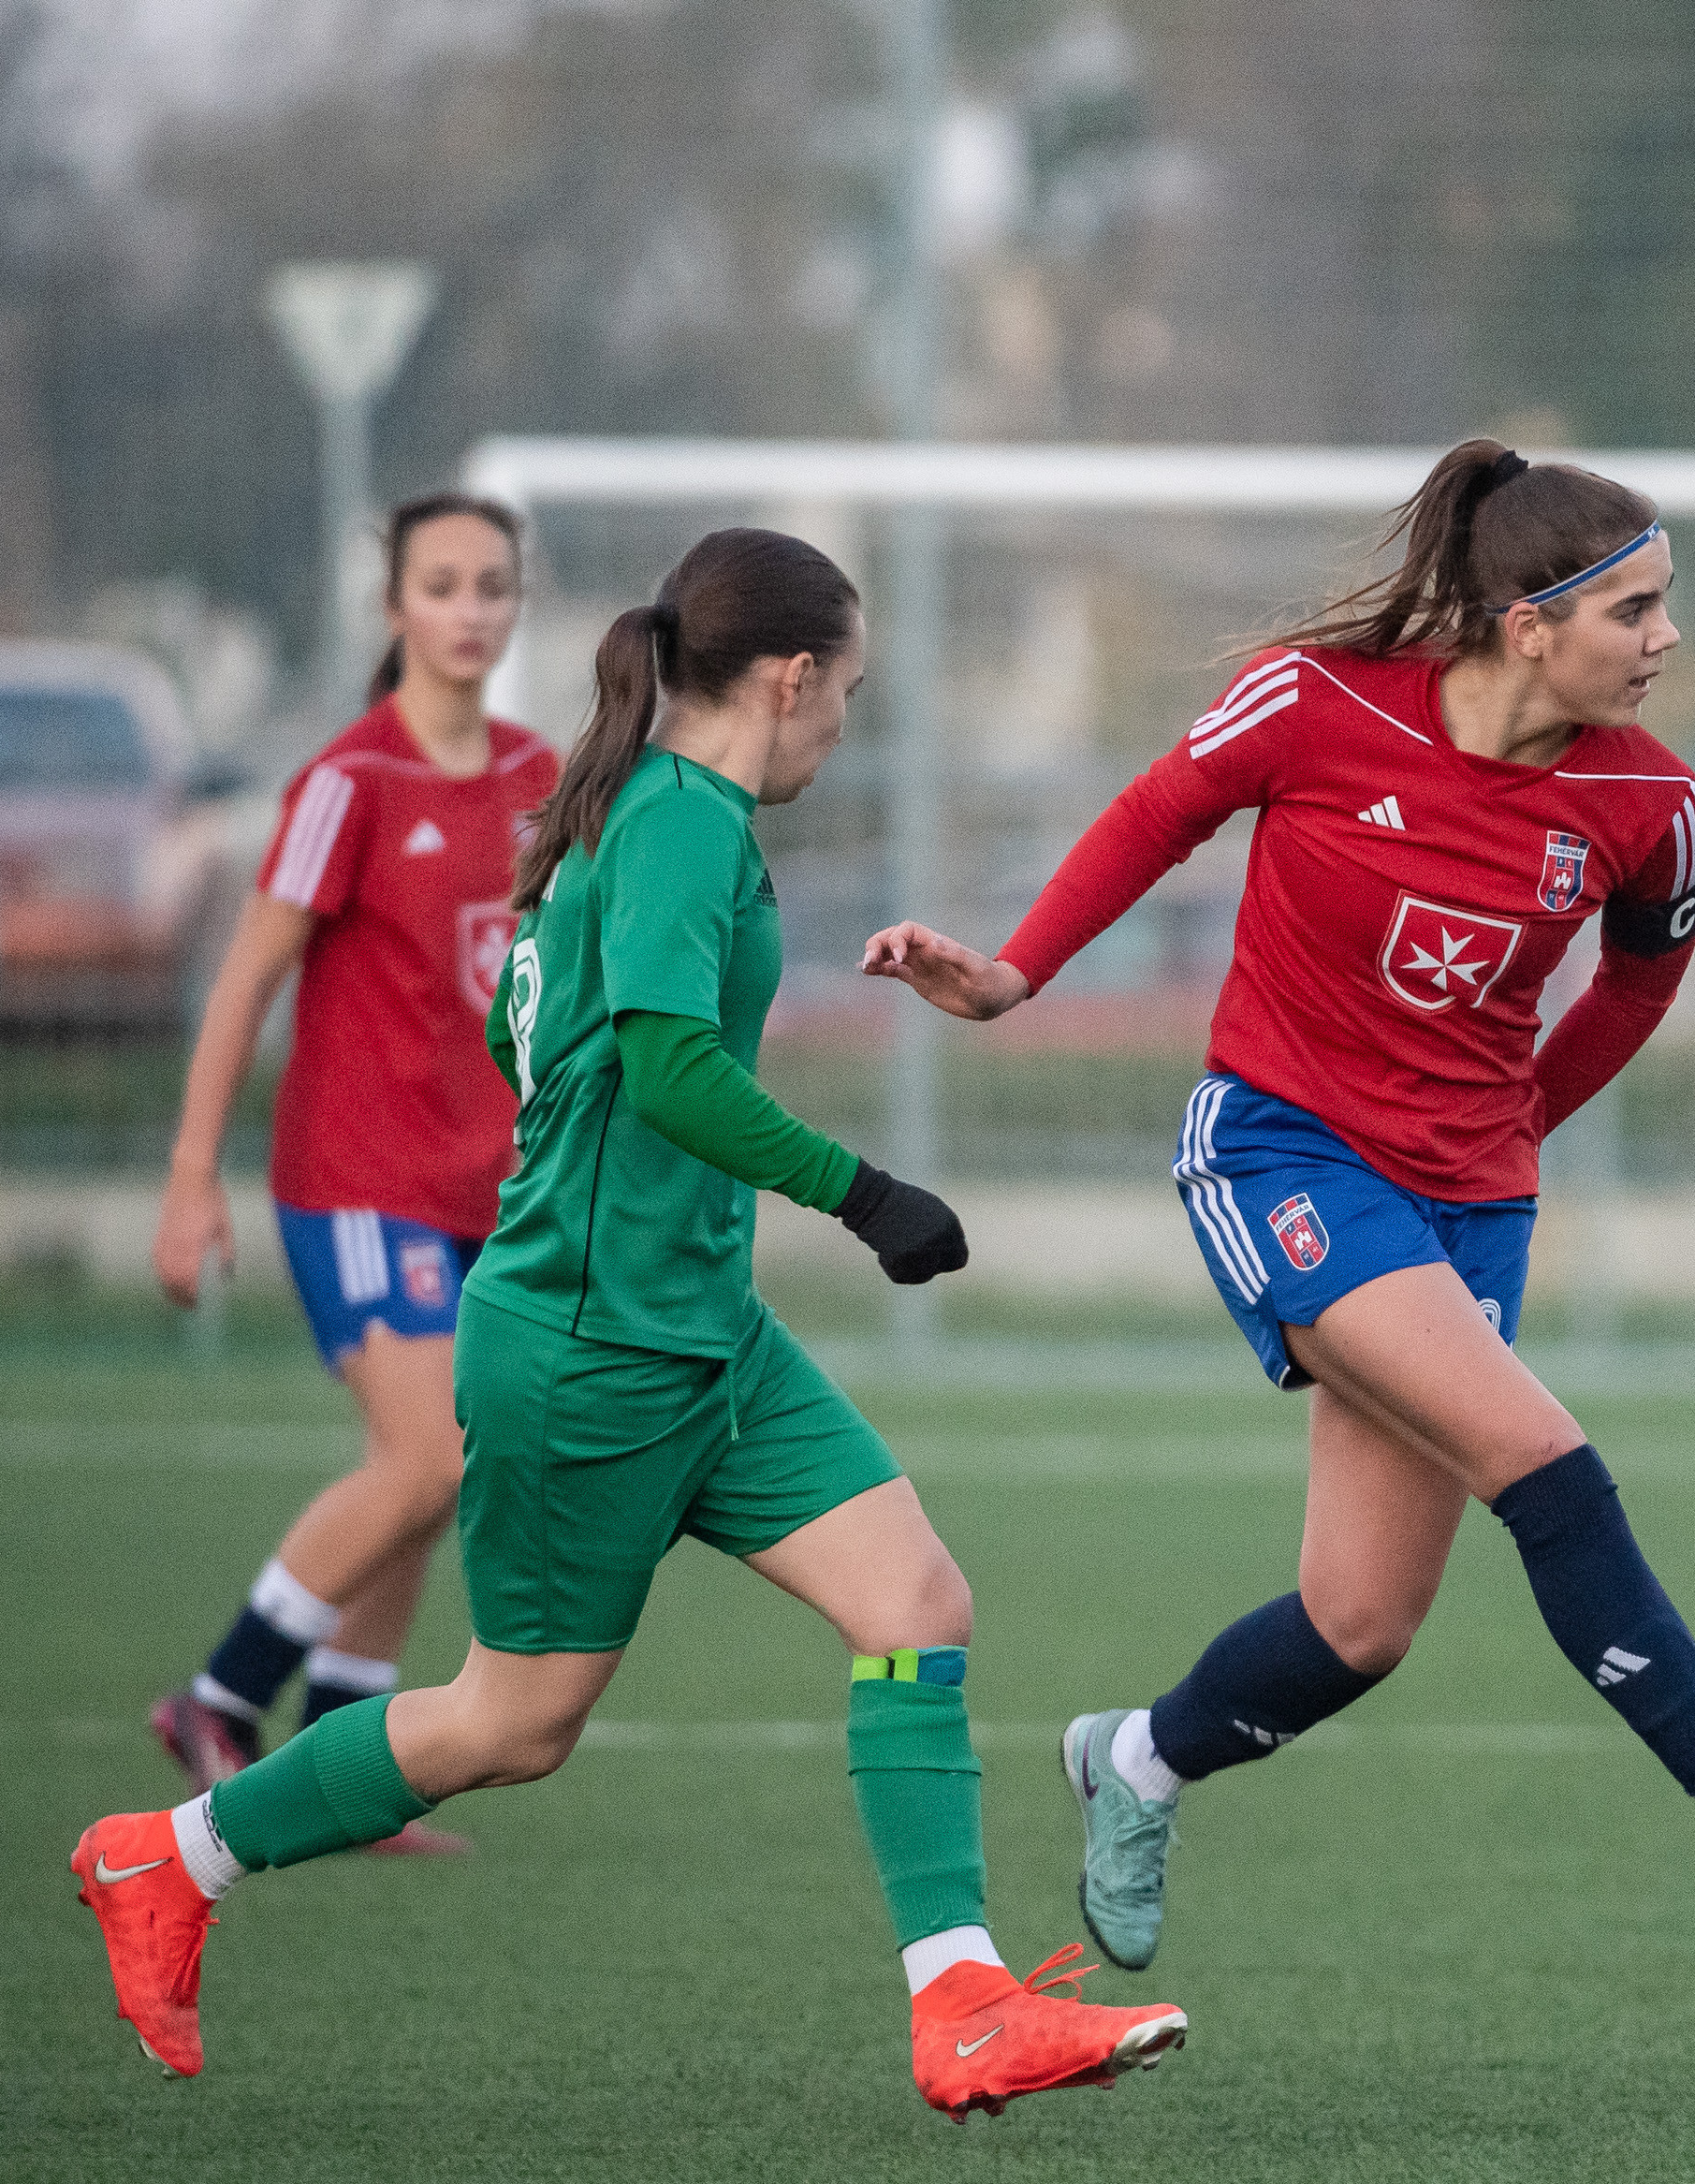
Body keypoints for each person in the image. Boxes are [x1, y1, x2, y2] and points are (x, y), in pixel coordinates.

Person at [76, 528, 1191, 2121]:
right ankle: (169, 1857)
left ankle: (965, 2005)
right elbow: (665, 1070)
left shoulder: (637, 812)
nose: (845, 723)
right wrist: (865, 1192)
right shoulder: (675, 822)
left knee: (914, 1600)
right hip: (592, 1349)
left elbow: (520, 1029)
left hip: (705, 1331)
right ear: (789, 679)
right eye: (849, 692)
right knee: (511, 1721)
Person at [863, 440, 1695, 1975]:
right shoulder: (1316, 701)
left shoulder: (1653, 802)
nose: (1667, 636)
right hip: (1282, 1152)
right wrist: (1014, 972)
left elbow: (1642, 981)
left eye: (1667, 603)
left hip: (1471, 1202)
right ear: (1529, 626)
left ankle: (1136, 1761)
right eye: (1634, 609)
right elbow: (1158, 810)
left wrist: (1524, 1120)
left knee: (1360, 1623)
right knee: (1543, 1459)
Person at [147, 492, 557, 1854]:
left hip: (485, 1187)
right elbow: (245, 979)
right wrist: (192, 1172)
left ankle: (347, 1756)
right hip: (356, 1179)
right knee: (428, 1455)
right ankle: (218, 1697)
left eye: (491, 584)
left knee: (443, 1463)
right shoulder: (349, 783)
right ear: (394, 608)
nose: (469, 609)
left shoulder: (540, 776)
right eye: (441, 584)